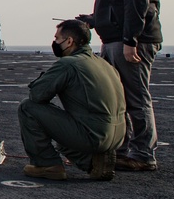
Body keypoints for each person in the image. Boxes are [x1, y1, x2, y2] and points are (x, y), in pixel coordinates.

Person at [78, 0, 163, 172]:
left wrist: (130, 41)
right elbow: (119, 6)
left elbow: (137, 4)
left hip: (129, 43)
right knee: (121, 99)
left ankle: (143, 154)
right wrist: (94, 20)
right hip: (118, 39)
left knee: (136, 98)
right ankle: (126, 150)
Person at [17, 20, 126, 181]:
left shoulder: (68, 64)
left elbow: (37, 96)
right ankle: (94, 162)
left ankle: (47, 165)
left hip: (93, 135)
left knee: (27, 107)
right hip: (118, 136)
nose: (54, 42)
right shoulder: (105, 64)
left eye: (57, 38)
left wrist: (44, 80)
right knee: (62, 142)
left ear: (69, 41)